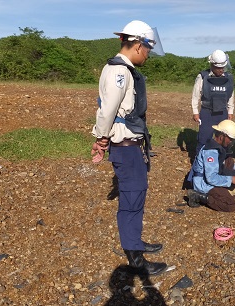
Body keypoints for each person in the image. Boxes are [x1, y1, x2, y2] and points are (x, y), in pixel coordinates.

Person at [90, 20, 167, 276]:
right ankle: (135, 258)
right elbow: (108, 109)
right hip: (124, 145)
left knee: (137, 194)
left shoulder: (124, 69)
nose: (147, 54)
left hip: (131, 145)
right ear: (136, 45)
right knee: (132, 198)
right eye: (147, 49)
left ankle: (136, 241)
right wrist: (101, 139)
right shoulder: (120, 72)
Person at [186, 120, 235, 212]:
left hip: (213, 176)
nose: (231, 142)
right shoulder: (211, 152)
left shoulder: (218, 146)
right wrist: (231, 179)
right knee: (231, 205)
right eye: (230, 139)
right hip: (204, 184)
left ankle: (222, 187)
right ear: (222, 137)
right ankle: (199, 196)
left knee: (228, 159)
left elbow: (224, 160)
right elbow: (211, 178)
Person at [191, 50, 235, 155]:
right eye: (218, 68)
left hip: (222, 112)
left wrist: (230, 111)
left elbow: (231, 94)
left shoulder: (228, 78)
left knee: (223, 139)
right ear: (212, 65)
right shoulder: (203, 77)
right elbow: (195, 95)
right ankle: (200, 162)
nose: (220, 70)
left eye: (222, 67)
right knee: (204, 138)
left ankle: (220, 161)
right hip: (207, 112)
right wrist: (195, 112)